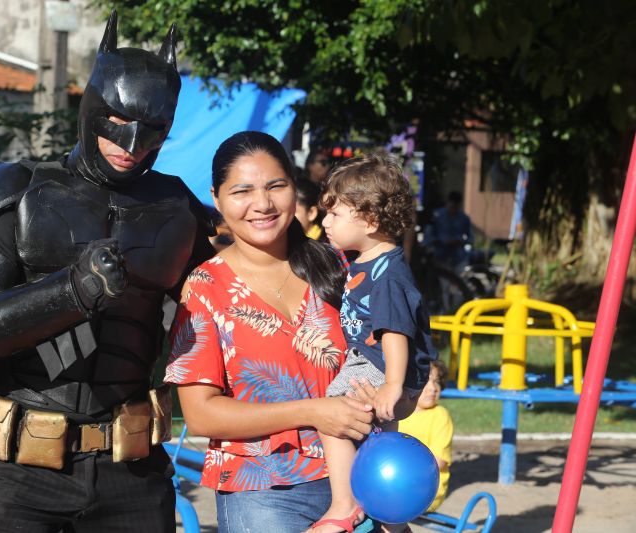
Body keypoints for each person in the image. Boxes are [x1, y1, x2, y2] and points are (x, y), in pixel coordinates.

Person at [0, 12, 214, 533]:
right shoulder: (20, 190)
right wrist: (70, 291)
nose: (132, 146)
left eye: (152, 133)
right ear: (92, 108)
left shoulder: (179, 210)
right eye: (118, 125)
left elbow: (236, 305)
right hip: (16, 472)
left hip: (130, 469)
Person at [164, 131, 377, 533]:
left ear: (294, 189)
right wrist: (314, 412)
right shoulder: (205, 287)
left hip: (362, 477)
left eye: (276, 186)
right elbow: (201, 413)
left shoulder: (339, 265)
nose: (262, 204)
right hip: (263, 492)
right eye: (242, 191)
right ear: (217, 198)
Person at [311, 152, 437, 533]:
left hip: (383, 366)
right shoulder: (368, 261)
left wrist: (393, 385)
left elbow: (395, 333)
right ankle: (389, 517)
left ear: (369, 219)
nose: (325, 221)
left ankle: (344, 503)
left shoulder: (386, 274)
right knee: (376, 438)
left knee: (331, 415)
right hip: (378, 364)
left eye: (334, 214)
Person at [398, 359, 453, 512]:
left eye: (437, 382)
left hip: (427, 490)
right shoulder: (399, 413)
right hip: (398, 481)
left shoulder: (439, 416)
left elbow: (439, 461)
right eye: (426, 382)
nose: (433, 388)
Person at [428, 191, 473, 273]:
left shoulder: (464, 218)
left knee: (459, 281)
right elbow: (429, 235)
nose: (453, 209)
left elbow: (471, 238)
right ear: (447, 203)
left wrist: (460, 241)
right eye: (451, 206)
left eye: (456, 207)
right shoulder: (437, 215)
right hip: (440, 256)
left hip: (458, 257)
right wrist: (440, 240)